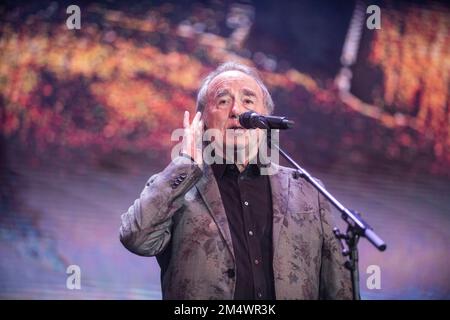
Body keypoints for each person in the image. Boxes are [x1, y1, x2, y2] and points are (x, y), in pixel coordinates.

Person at [119, 61, 353, 300]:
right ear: (202, 122)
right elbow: (136, 239)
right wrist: (186, 163)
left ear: (265, 119)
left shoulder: (307, 189)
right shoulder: (177, 186)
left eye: (248, 101)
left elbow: (339, 290)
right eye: (223, 101)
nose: (237, 111)